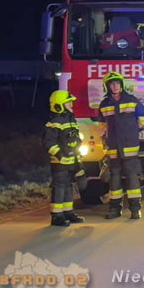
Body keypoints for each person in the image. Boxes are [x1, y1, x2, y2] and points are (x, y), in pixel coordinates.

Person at [97, 71, 144, 220]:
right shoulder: (105, 104)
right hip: (113, 145)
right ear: (108, 87)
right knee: (114, 177)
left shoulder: (131, 100)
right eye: (112, 84)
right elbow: (102, 124)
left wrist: (136, 129)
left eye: (117, 83)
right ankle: (115, 209)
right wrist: (104, 137)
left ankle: (135, 209)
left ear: (121, 85)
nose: (115, 86)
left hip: (129, 144)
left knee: (131, 176)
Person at [43, 90, 86, 227]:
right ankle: (57, 216)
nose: (71, 104)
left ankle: (68, 212)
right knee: (59, 188)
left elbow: (76, 140)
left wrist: (78, 159)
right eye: (68, 102)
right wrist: (60, 155)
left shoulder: (71, 119)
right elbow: (48, 142)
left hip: (72, 161)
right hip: (60, 163)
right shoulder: (54, 122)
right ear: (59, 105)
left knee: (68, 187)